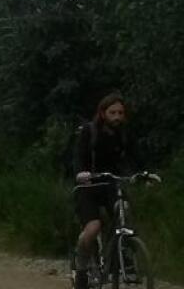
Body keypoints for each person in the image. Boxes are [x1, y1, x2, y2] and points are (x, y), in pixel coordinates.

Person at [73, 92, 139, 289]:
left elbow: (134, 157)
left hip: (112, 184)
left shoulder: (124, 133)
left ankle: (120, 252)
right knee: (92, 229)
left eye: (120, 113)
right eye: (113, 112)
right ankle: (82, 266)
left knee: (123, 209)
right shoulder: (89, 131)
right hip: (89, 186)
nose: (117, 117)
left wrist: (143, 174)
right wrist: (80, 173)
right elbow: (78, 156)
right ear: (103, 113)